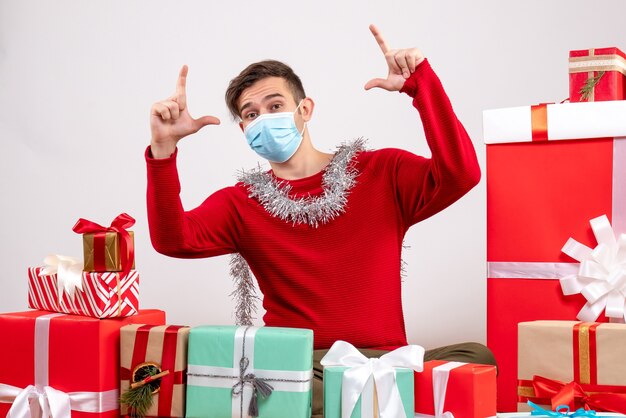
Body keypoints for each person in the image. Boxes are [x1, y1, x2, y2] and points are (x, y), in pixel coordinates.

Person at [146, 24, 495, 417]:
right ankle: (361, 400)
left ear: (305, 109)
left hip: (386, 360)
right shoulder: (239, 204)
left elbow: (460, 173)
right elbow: (173, 239)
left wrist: (422, 87)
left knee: (476, 359)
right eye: (251, 114)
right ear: (245, 130)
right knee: (285, 390)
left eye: (275, 106)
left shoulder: (381, 171)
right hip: (305, 368)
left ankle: (363, 396)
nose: (263, 118)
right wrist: (163, 150)